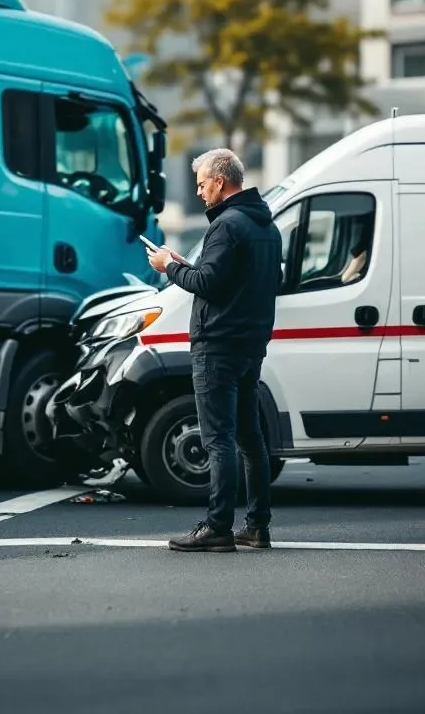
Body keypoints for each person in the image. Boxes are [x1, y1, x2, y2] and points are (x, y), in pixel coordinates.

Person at [147, 148, 283, 553]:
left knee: (218, 438)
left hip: (218, 345)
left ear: (221, 182)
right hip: (250, 344)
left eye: (203, 184)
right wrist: (182, 263)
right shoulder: (266, 226)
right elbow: (254, 280)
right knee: (249, 437)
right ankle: (257, 526)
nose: (200, 192)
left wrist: (168, 268)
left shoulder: (226, 225)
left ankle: (218, 527)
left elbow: (207, 283)